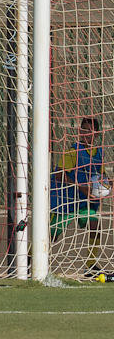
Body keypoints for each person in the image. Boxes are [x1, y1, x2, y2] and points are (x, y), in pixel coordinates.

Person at [50, 117, 111, 276]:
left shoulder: (99, 153)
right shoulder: (73, 151)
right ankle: (28, 259)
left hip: (84, 202)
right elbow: (59, 175)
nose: (86, 133)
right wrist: (80, 187)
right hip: (65, 201)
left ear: (96, 133)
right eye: (83, 130)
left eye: (89, 130)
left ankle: (90, 266)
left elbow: (101, 174)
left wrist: (109, 184)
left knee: (95, 225)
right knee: (51, 235)